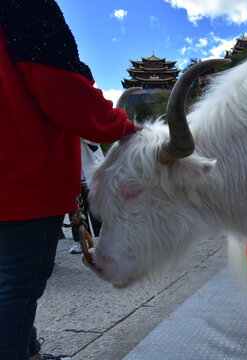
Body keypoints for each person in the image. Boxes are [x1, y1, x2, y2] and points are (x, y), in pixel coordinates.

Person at [0, 1, 142, 359]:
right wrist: (125, 128)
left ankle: (28, 349)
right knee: (17, 285)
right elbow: (62, 88)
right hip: (21, 177)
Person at [69, 139, 104, 254]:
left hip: (91, 170)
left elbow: (95, 139)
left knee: (96, 210)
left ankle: (101, 239)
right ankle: (79, 241)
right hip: (72, 173)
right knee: (75, 211)